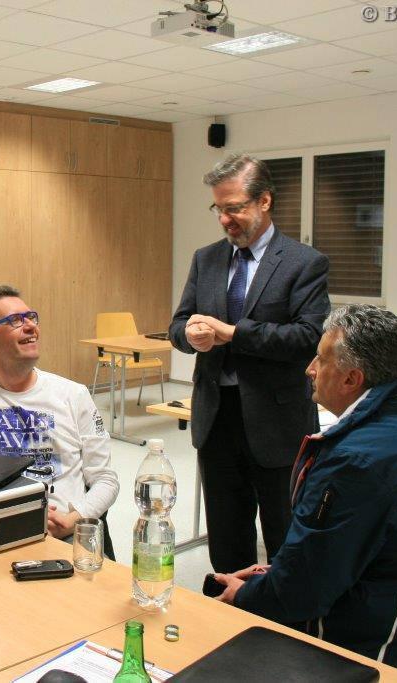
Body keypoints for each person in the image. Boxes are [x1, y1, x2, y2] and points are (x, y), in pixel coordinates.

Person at [213, 305, 397, 674]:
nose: (310, 369)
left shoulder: (355, 463)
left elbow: (300, 594)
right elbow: (337, 553)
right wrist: (272, 574)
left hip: (351, 653)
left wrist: (245, 593)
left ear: (351, 379)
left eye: (321, 360)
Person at [168, 153, 330, 575]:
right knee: (227, 539)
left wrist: (233, 333)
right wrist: (189, 335)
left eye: (234, 208)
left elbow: (307, 338)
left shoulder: (303, 262)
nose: (225, 219)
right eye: (218, 209)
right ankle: (230, 607)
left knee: (286, 538)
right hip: (216, 418)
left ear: (264, 201)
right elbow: (178, 325)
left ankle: (284, 614)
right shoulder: (206, 259)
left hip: (278, 424)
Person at [0, 285, 119, 553]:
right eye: (15, 320)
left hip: (64, 537)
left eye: (31, 317)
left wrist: (72, 520)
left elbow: (105, 480)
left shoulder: (73, 395)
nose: (31, 326)